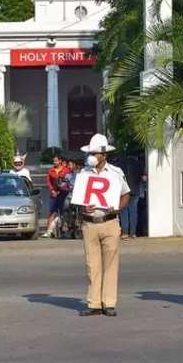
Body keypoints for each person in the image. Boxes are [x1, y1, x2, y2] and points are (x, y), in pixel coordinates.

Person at [78, 134, 131, 317]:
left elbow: (126, 195)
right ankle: (94, 303)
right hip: (89, 224)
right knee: (92, 265)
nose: (92, 155)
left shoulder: (116, 172)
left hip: (109, 222)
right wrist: (82, 207)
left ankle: (108, 303)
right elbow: (75, 200)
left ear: (103, 154)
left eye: (95, 152)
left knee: (110, 264)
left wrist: (116, 210)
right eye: (90, 152)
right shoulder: (83, 173)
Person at [43, 153, 70, 237]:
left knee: (63, 212)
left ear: (60, 161)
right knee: (52, 212)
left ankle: (64, 231)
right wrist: (52, 190)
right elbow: (48, 182)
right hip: (54, 194)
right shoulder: (51, 171)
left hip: (64, 193)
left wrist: (63, 189)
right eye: (54, 161)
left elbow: (68, 181)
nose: (54, 162)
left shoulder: (66, 170)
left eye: (56, 161)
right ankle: (49, 231)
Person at [118, 155, 141, 239]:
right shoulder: (138, 163)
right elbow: (141, 177)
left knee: (124, 212)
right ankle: (133, 233)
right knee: (133, 212)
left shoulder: (120, 164)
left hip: (124, 191)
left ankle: (125, 233)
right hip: (135, 190)